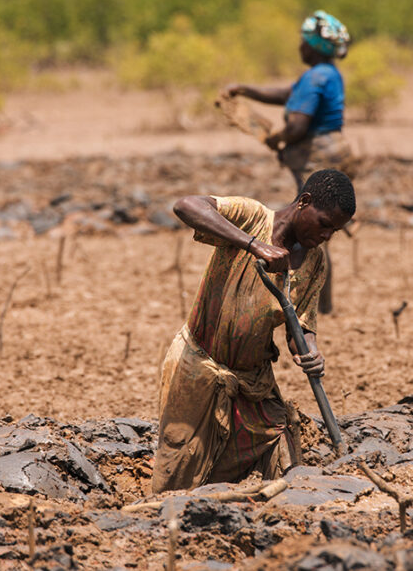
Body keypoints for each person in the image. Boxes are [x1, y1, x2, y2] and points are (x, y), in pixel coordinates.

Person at [151, 169, 355, 493]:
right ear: (305, 202)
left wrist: (311, 350)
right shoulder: (252, 217)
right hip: (198, 366)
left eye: (335, 231)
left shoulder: (314, 263)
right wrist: (253, 245)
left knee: (282, 450)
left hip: (253, 379)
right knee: (178, 478)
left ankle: (280, 528)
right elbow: (186, 205)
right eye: (324, 224)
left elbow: (300, 325)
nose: (327, 235)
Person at [222, 9, 354, 314]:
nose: (300, 47)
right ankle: (324, 304)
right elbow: (287, 93)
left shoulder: (315, 77)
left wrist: (277, 138)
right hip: (335, 149)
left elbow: (297, 125)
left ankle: (317, 305)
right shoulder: (328, 74)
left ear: (314, 46)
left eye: (304, 41)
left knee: (309, 228)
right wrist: (245, 90)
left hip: (315, 154)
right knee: (323, 227)